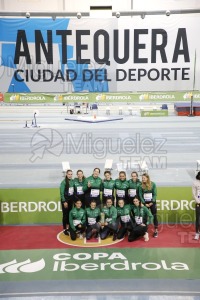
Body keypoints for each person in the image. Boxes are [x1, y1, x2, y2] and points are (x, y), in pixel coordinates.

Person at [138, 173, 158, 237]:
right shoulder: (140, 185)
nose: (143, 179)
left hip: (152, 203)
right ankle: (145, 231)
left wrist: (152, 202)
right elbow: (140, 195)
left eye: (144, 178)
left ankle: (156, 230)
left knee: (154, 215)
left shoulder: (153, 184)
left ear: (147, 178)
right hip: (145, 203)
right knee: (145, 216)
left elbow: (155, 194)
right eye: (142, 178)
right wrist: (144, 203)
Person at [60, 169, 75, 235]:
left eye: (71, 174)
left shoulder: (72, 181)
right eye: (69, 174)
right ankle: (64, 228)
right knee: (65, 215)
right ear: (66, 174)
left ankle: (69, 227)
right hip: (65, 201)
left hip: (71, 200)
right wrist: (64, 201)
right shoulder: (63, 182)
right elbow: (62, 193)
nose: (70, 175)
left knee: (70, 214)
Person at [192, 171, 200, 240]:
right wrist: (198, 202)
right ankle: (197, 233)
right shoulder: (195, 183)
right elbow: (194, 194)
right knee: (198, 219)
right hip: (198, 204)